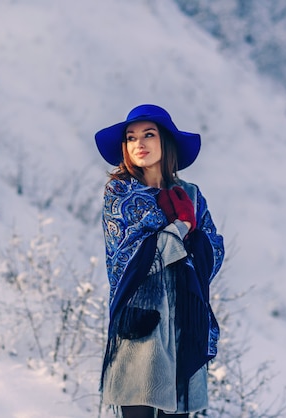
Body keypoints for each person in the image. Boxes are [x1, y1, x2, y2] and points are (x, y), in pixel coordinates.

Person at [94, 104, 225, 418]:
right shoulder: (120, 194)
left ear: (165, 141)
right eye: (131, 137)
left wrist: (184, 238)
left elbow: (215, 250)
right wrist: (180, 230)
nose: (139, 143)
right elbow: (126, 259)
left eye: (148, 135)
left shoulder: (192, 195)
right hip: (142, 324)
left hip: (185, 322)